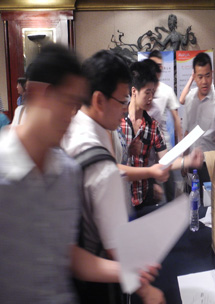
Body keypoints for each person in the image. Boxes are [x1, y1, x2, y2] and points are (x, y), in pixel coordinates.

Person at [0, 44, 124, 304]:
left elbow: (66, 254)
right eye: (67, 103)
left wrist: (129, 270)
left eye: (76, 105)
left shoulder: (67, 172)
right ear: (39, 93)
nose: (71, 116)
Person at [62, 50, 164, 304]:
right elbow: (117, 248)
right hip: (98, 287)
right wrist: (146, 291)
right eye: (121, 101)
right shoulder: (103, 169)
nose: (124, 109)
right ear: (99, 100)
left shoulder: (69, 131)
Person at [120, 60, 203, 217]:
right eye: (147, 92)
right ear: (134, 91)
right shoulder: (118, 121)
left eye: (153, 92)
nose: (151, 97)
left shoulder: (152, 126)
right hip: (121, 201)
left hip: (144, 198)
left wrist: (188, 160)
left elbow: (166, 160)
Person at [182, 52, 215, 190]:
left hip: (210, 165)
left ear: (212, 74)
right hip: (191, 163)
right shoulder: (189, 99)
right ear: (194, 77)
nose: (204, 81)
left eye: (207, 75)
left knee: (209, 201)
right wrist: (184, 160)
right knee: (192, 200)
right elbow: (186, 132)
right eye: (200, 77)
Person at [147, 51, 183, 201]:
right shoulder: (141, 91)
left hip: (164, 149)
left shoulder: (167, 91)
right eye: (155, 65)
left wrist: (180, 149)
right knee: (151, 194)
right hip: (146, 153)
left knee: (170, 192)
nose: (158, 69)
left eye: (160, 66)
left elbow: (176, 120)